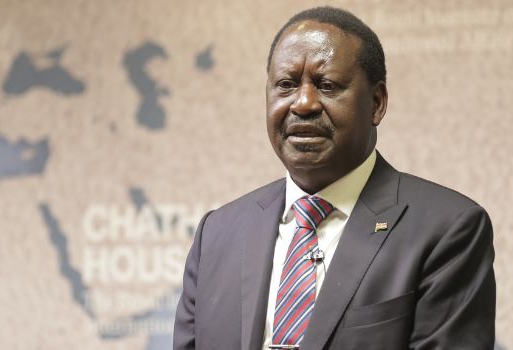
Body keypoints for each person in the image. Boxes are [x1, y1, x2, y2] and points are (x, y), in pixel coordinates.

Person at [174, 6, 495, 350]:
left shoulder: (447, 229)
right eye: (286, 85)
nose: (304, 103)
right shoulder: (218, 234)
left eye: (327, 85)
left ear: (376, 103)